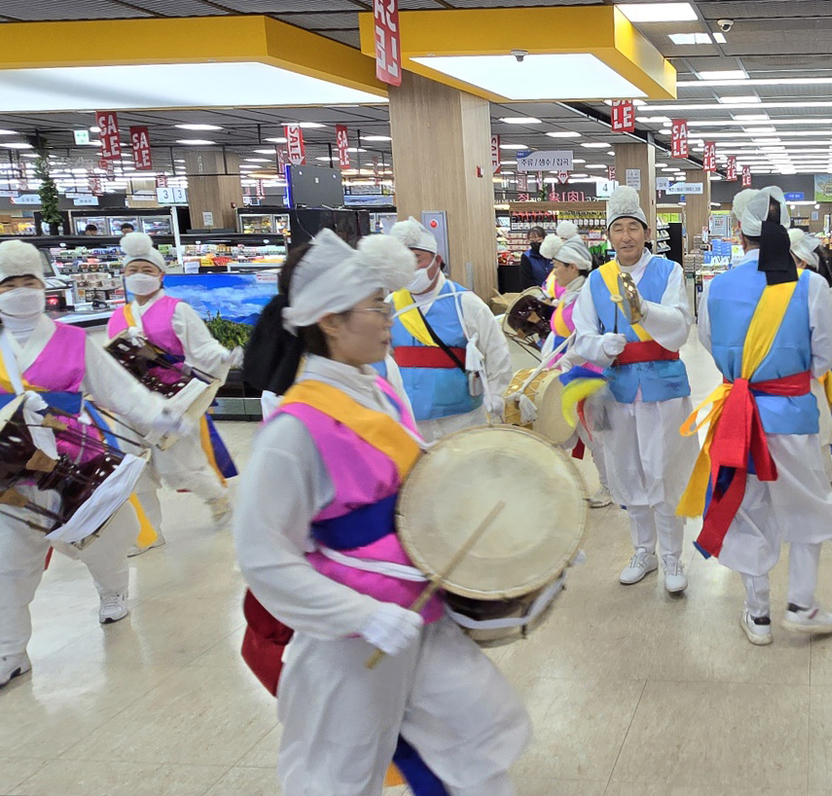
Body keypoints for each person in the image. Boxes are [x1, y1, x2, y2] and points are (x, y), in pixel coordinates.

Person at [233, 230, 531, 796]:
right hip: (352, 630)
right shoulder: (295, 428)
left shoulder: (379, 390)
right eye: (375, 306)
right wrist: (358, 615)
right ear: (330, 321)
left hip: (419, 603)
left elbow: (418, 490)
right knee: (340, 771)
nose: (389, 316)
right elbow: (263, 557)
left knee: (479, 725)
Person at [0, 239, 190, 688]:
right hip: (9, 464)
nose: (20, 290)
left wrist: (161, 414)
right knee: (8, 560)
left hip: (73, 458)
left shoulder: (71, 340)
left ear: (43, 286)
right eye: (9, 283)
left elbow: (116, 389)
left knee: (101, 540)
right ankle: (10, 650)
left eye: (28, 281)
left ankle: (113, 590)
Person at [683, 188, 832, 644]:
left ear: (739, 232)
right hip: (793, 418)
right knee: (809, 506)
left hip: (737, 418)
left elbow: (711, 345)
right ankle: (802, 603)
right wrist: (790, 378)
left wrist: (747, 375)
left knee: (747, 508)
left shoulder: (716, 288)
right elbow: (830, 349)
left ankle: (757, 614)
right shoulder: (809, 284)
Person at [571, 186, 696, 594]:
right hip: (620, 388)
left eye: (632, 228)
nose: (625, 237)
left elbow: (679, 328)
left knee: (665, 470)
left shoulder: (669, 273)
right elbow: (582, 335)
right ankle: (643, 550)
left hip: (664, 387)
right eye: (617, 229)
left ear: (646, 232)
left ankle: (673, 556)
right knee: (630, 471)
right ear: (608, 236)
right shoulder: (596, 280)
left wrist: (643, 309)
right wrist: (600, 347)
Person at [108, 232, 241, 555]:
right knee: (132, 467)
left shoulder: (177, 310)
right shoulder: (118, 316)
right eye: (132, 270)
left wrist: (222, 357)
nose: (139, 276)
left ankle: (216, 496)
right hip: (129, 401)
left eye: (147, 270)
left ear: (160, 275)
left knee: (179, 464)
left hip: (171, 397)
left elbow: (202, 345)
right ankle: (148, 531)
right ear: (124, 275)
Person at [379, 217, 512, 441]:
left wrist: (496, 394)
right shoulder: (391, 305)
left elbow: (496, 351)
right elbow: (380, 358)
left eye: (416, 259)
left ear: (437, 259)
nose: (408, 268)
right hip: (408, 419)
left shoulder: (466, 303)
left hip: (462, 419)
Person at [538, 230, 614, 509]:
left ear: (573, 267)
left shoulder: (586, 298)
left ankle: (610, 487)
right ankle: (560, 485)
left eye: (558, 265)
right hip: (565, 373)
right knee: (560, 431)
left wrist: (568, 360)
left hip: (589, 376)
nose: (553, 271)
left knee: (597, 436)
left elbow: (588, 338)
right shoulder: (570, 297)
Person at [790, 229, 832, 483]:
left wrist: (807, 371)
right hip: (809, 373)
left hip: (810, 375)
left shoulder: (810, 284)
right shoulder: (809, 284)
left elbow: (830, 343)